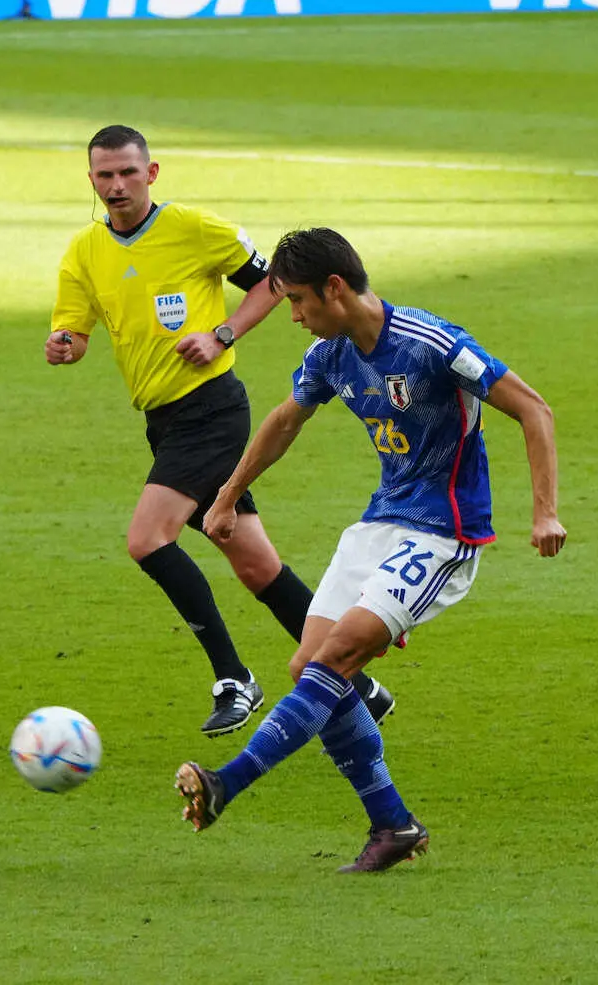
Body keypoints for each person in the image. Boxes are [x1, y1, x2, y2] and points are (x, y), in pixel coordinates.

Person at [174, 227, 566, 872]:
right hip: (379, 524)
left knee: (335, 657)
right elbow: (283, 420)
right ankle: (393, 825)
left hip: (444, 532)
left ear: (335, 288)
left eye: (298, 301)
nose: (294, 316)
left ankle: (227, 782)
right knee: (311, 669)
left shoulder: (432, 344)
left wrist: (545, 512)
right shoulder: (332, 354)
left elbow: (534, 409)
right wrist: (226, 496)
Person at [44, 126, 395, 738]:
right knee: (257, 566)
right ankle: (360, 685)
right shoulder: (83, 252)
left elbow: (273, 281)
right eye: (104, 175)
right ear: (91, 179)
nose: (116, 185)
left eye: (128, 173)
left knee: (148, 540)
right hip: (163, 420)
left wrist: (224, 333)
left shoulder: (195, 229)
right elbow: (75, 334)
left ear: (151, 174)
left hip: (212, 409)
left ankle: (234, 678)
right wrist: (64, 346)